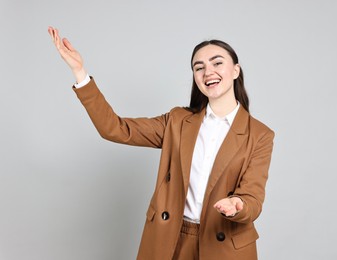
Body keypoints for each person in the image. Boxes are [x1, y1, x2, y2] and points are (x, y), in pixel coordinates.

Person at [48, 26, 275, 260]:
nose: (208, 71)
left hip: (225, 244)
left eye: (217, 63)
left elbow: (253, 198)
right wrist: (80, 73)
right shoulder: (177, 121)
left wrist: (237, 204)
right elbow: (115, 128)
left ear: (236, 70)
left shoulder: (260, 135)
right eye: (199, 67)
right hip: (171, 237)